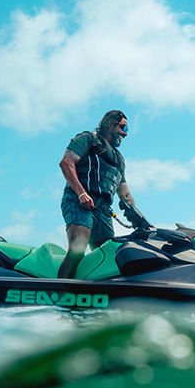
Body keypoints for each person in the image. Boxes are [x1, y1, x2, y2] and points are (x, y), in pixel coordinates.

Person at [58, 109, 139, 278]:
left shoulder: (119, 159)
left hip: (103, 211)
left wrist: (137, 214)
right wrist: (81, 193)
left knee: (108, 256)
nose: (125, 134)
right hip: (79, 202)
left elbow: (124, 192)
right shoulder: (88, 139)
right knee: (78, 249)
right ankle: (60, 295)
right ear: (110, 124)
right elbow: (66, 163)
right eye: (123, 128)